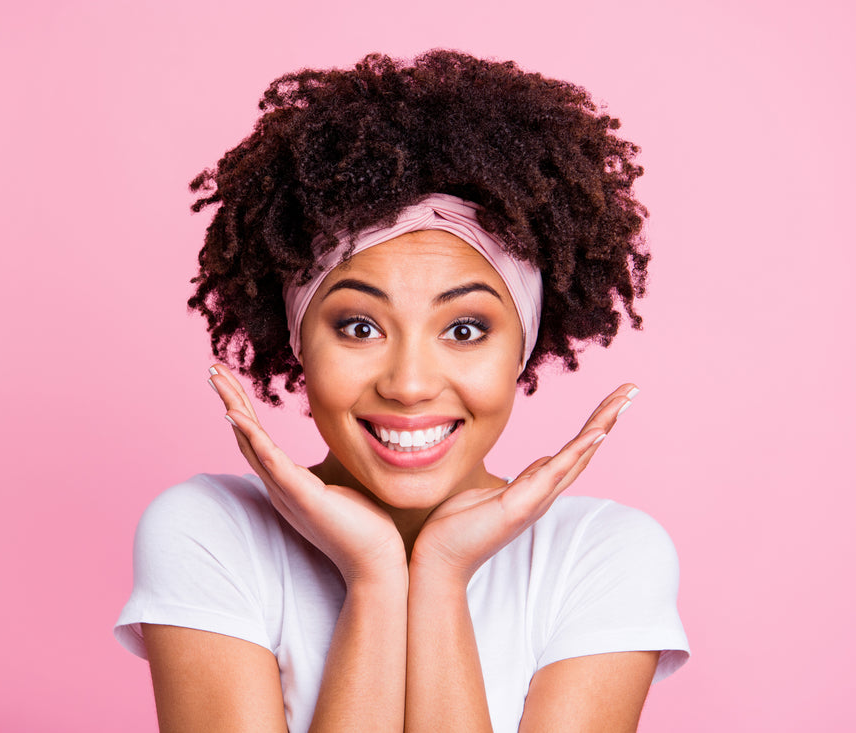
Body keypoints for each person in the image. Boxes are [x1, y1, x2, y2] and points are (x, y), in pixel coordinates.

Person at [115, 50, 689, 732]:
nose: (410, 384)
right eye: (359, 326)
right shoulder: (211, 532)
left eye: (466, 329)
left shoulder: (602, 556)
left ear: (523, 346)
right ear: (300, 340)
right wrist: (376, 578)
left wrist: (440, 576)